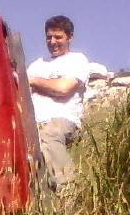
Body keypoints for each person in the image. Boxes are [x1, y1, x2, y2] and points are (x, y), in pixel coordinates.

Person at [27, 15, 89, 192]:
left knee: (50, 134)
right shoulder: (36, 65)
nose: (52, 41)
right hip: (35, 124)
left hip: (63, 121)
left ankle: (70, 192)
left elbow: (64, 89)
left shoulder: (77, 60)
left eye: (58, 37)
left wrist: (35, 82)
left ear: (70, 37)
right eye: (49, 37)